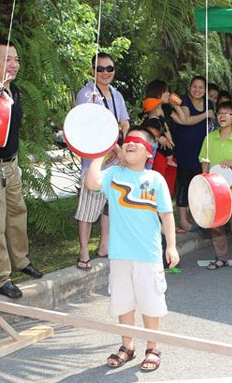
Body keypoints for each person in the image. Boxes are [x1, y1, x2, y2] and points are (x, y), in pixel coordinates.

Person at [85, 126, 178, 372]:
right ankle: (127, 345)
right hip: (120, 254)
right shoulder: (114, 174)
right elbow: (92, 182)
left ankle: (152, 346)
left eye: (137, 142)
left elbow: (167, 215)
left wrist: (172, 246)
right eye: (127, 142)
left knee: (150, 302)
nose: (130, 144)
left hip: (148, 254)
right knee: (123, 302)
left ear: (149, 152)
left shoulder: (155, 179)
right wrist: (99, 152)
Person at [0, 39, 42, 299]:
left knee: (18, 212)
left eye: (16, 59)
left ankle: (21, 260)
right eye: (7, 59)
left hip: (12, 164)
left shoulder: (13, 90)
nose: (15, 64)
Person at [74, 52, 130, 271]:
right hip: (95, 162)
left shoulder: (117, 94)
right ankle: (84, 251)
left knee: (110, 207)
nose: (105, 73)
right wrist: (115, 147)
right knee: (88, 209)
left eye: (110, 68)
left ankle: (105, 246)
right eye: (100, 69)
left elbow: (124, 120)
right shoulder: (87, 95)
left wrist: (124, 140)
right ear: (92, 71)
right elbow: (91, 126)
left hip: (116, 161)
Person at [199, 102, 232, 271]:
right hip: (215, 193)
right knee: (216, 226)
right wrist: (204, 181)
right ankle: (221, 258)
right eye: (220, 113)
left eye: (227, 113)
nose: (222, 116)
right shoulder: (209, 138)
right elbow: (204, 160)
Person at [175, 76, 214, 233]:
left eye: (201, 87)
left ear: (205, 91)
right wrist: (206, 114)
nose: (197, 90)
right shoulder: (183, 100)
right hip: (185, 149)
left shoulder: (208, 103)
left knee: (198, 185)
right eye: (194, 86)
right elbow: (186, 120)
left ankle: (195, 217)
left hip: (202, 150)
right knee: (184, 185)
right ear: (189, 87)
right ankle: (183, 220)